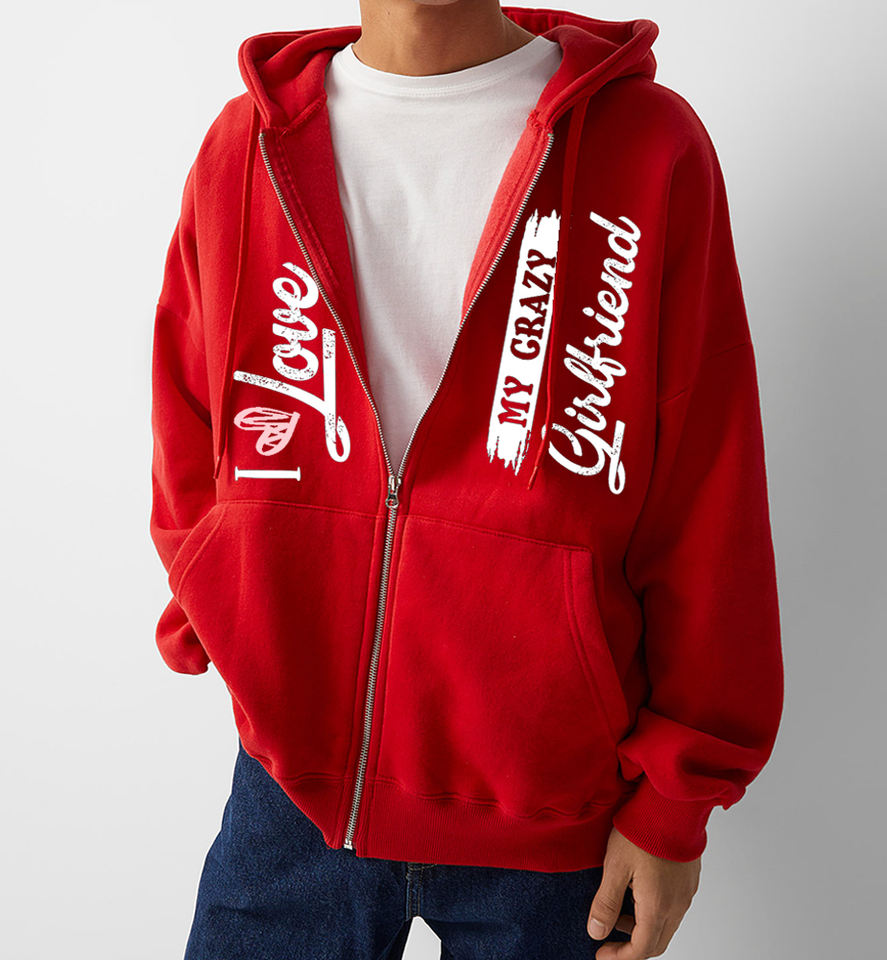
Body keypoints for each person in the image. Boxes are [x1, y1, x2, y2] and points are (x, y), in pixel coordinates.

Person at [148, 2, 784, 958]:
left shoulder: (647, 147)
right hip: (291, 788)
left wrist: (676, 796)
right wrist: (225, 595)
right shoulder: (246, 146)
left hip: (552, 805)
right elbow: (188, 412)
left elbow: (708, 482)